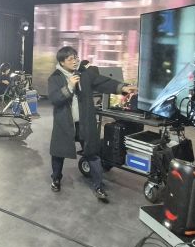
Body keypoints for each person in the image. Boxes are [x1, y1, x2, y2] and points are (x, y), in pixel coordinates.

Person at [48, 47, 136, 201]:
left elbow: (103, 82)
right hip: (64, 124)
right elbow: (55, 99)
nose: (75, 61)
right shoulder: (54, 78)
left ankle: (98, 185)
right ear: (62, 62)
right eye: (70, 59)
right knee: (58, 153)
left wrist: (122, 87)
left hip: (85, 122)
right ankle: (56, 178)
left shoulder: (85, 74)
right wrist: (69, 86)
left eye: (75, 57)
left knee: (92, 154)